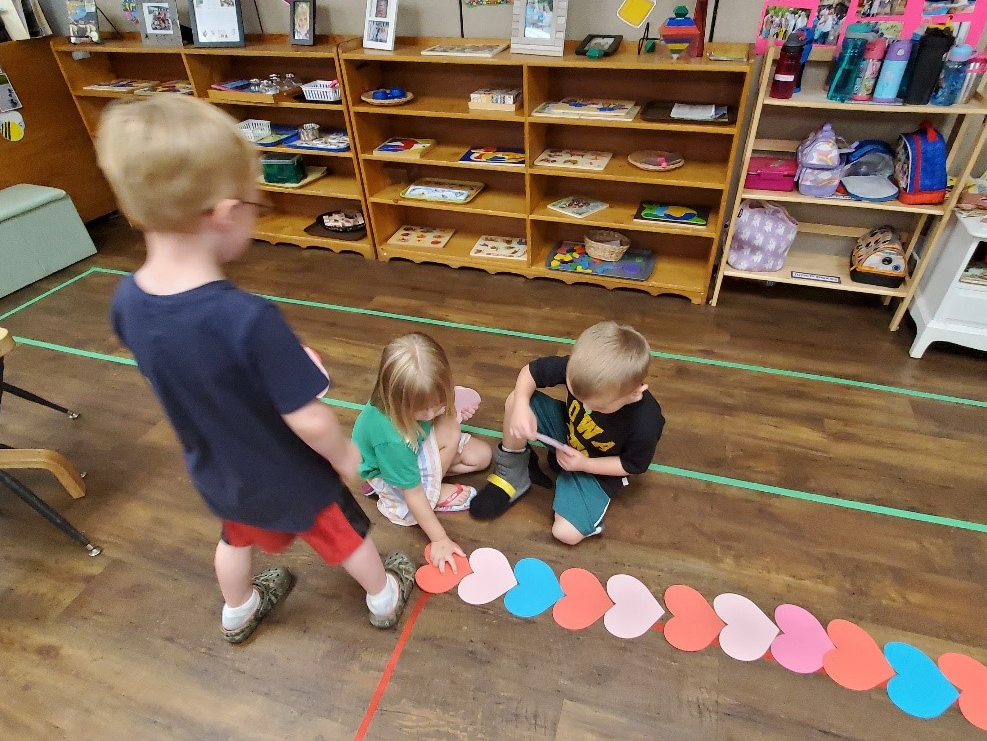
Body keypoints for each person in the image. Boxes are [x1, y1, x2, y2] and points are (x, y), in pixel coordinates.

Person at [99, 94, 416, 643]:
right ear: (225, 213)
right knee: (344, 537)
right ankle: (384, 595)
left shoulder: (127, 301)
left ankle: (238, 610)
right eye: (256, 204)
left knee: (234, 541)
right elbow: (310, 421)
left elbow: (189, 372)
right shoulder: (247, 319)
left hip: (220, 473)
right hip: (290, 476)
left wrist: (278, 369)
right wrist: (347, 458)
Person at [470, 322, 665, 546]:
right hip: (567, 435)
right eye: (577, 397)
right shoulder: (582, 369)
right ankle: (513, 473)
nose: (587, 408)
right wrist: (522, 405)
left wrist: (584, 465)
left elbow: (632, 465)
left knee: (565, 533)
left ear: (634, 393)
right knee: (516, 400)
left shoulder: (646, 422)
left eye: (599, 407)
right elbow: (532, 372)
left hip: (596, 468)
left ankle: (588, 517)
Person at [352, 334, 493, 572]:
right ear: (397, 400)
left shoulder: (402, 395)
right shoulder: (392, 440)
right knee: (450, 432)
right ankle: (407, 489)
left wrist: (449, 409)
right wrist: (440, 539)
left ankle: (416, 477)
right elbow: (413, 495)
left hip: (404, 452)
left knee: (480, 456)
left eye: (436, 404)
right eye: (421, 410)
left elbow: (433, 413)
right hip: (391, 466)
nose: (430, 415)